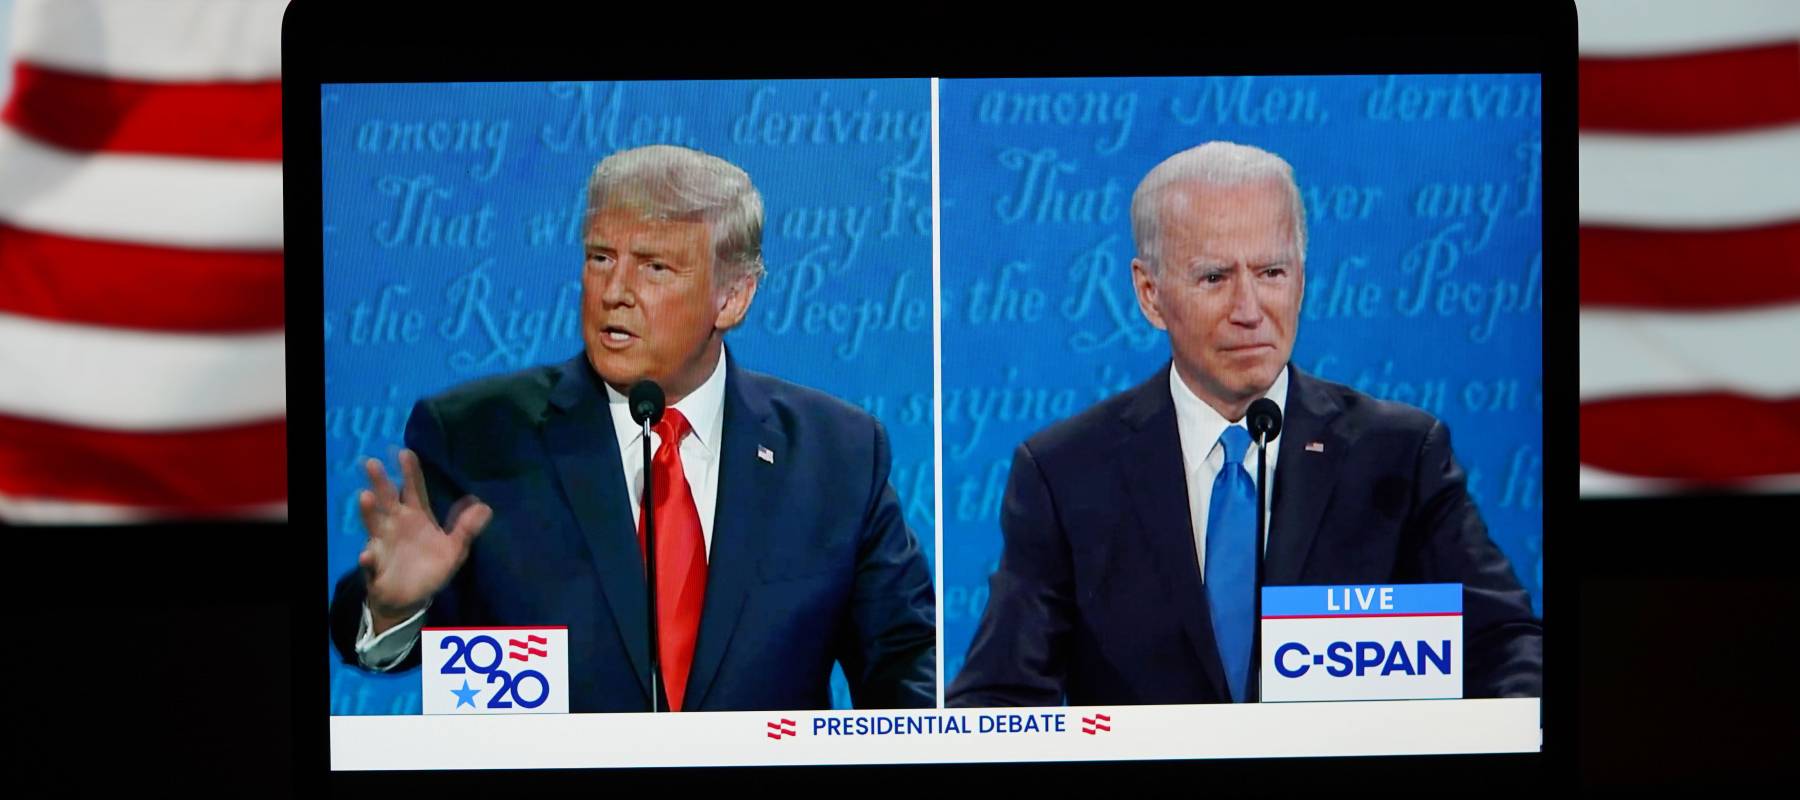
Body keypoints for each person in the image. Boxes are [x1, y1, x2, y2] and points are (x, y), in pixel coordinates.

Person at [328, 145, 936, 712]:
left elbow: (904, 664)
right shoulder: (476, 437)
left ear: (733, 298)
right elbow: (384, 649)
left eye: (655, 267)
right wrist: (393, 608)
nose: (615, 292)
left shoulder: (838, 454)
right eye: (600, 258)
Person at [948, 141, 1542, 707]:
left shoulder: (1400, 456)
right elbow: (1001, 696)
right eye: (1214, 278)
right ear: (1150, 295)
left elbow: (1507, 646)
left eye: (1271, 273)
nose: (1249, 311)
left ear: (1302, 280)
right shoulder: (1066, 473)